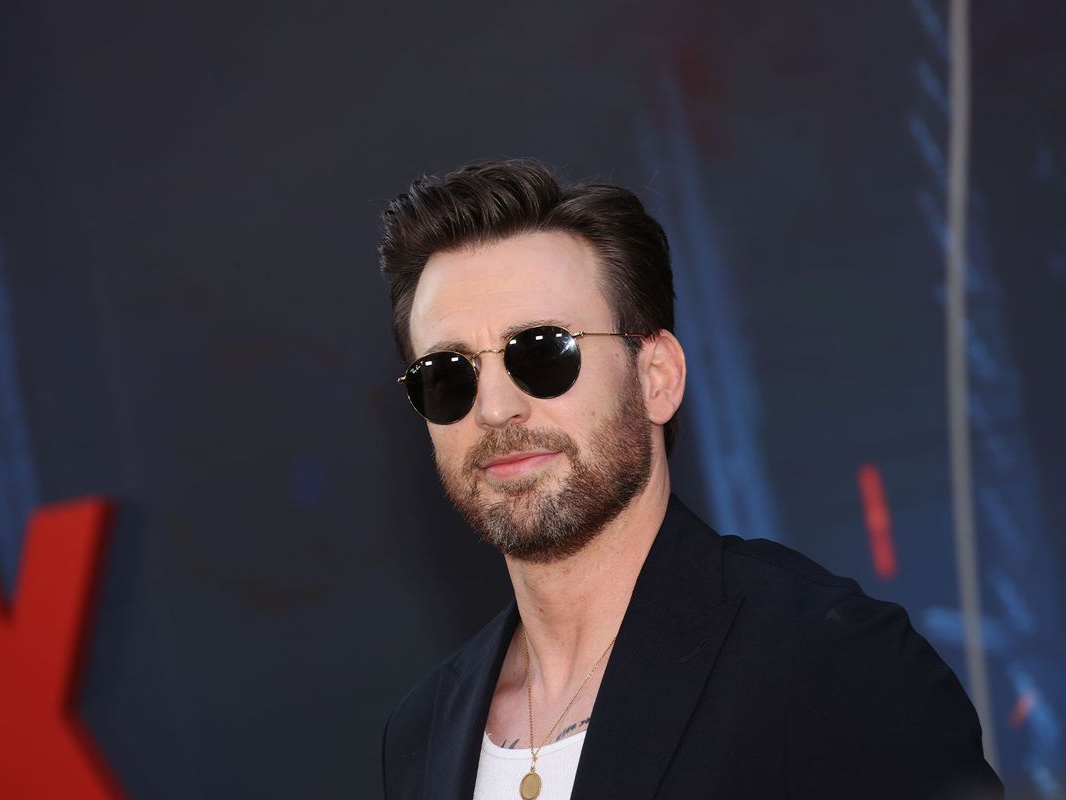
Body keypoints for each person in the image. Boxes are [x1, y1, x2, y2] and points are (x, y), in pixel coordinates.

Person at [379, 159, 1002, 800]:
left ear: (657, 377)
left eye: (541, 350)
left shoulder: (830, 660)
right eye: (449, 373)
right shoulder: (423, 733)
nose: (495, 408)